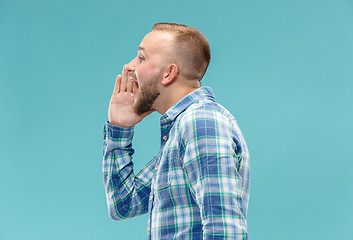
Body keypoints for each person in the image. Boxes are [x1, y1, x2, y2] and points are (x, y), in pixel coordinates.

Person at [103, 22, 250, 239]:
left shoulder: (201, 123)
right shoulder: (180, 132)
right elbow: (124, 204)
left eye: (141, 58)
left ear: (168, 73)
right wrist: (120, 128)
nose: (129, 67)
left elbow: (224, 231)